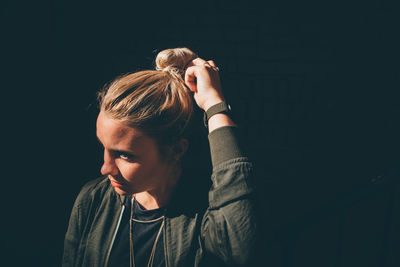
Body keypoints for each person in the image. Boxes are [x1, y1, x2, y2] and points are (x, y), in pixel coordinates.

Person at [62, 47, 256, 267]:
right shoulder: (94, 199)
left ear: (176, 150)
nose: (105, 169)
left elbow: (239, 249)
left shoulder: (204, 216)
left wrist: (214, 104)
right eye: (104, 147)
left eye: (124, 155)